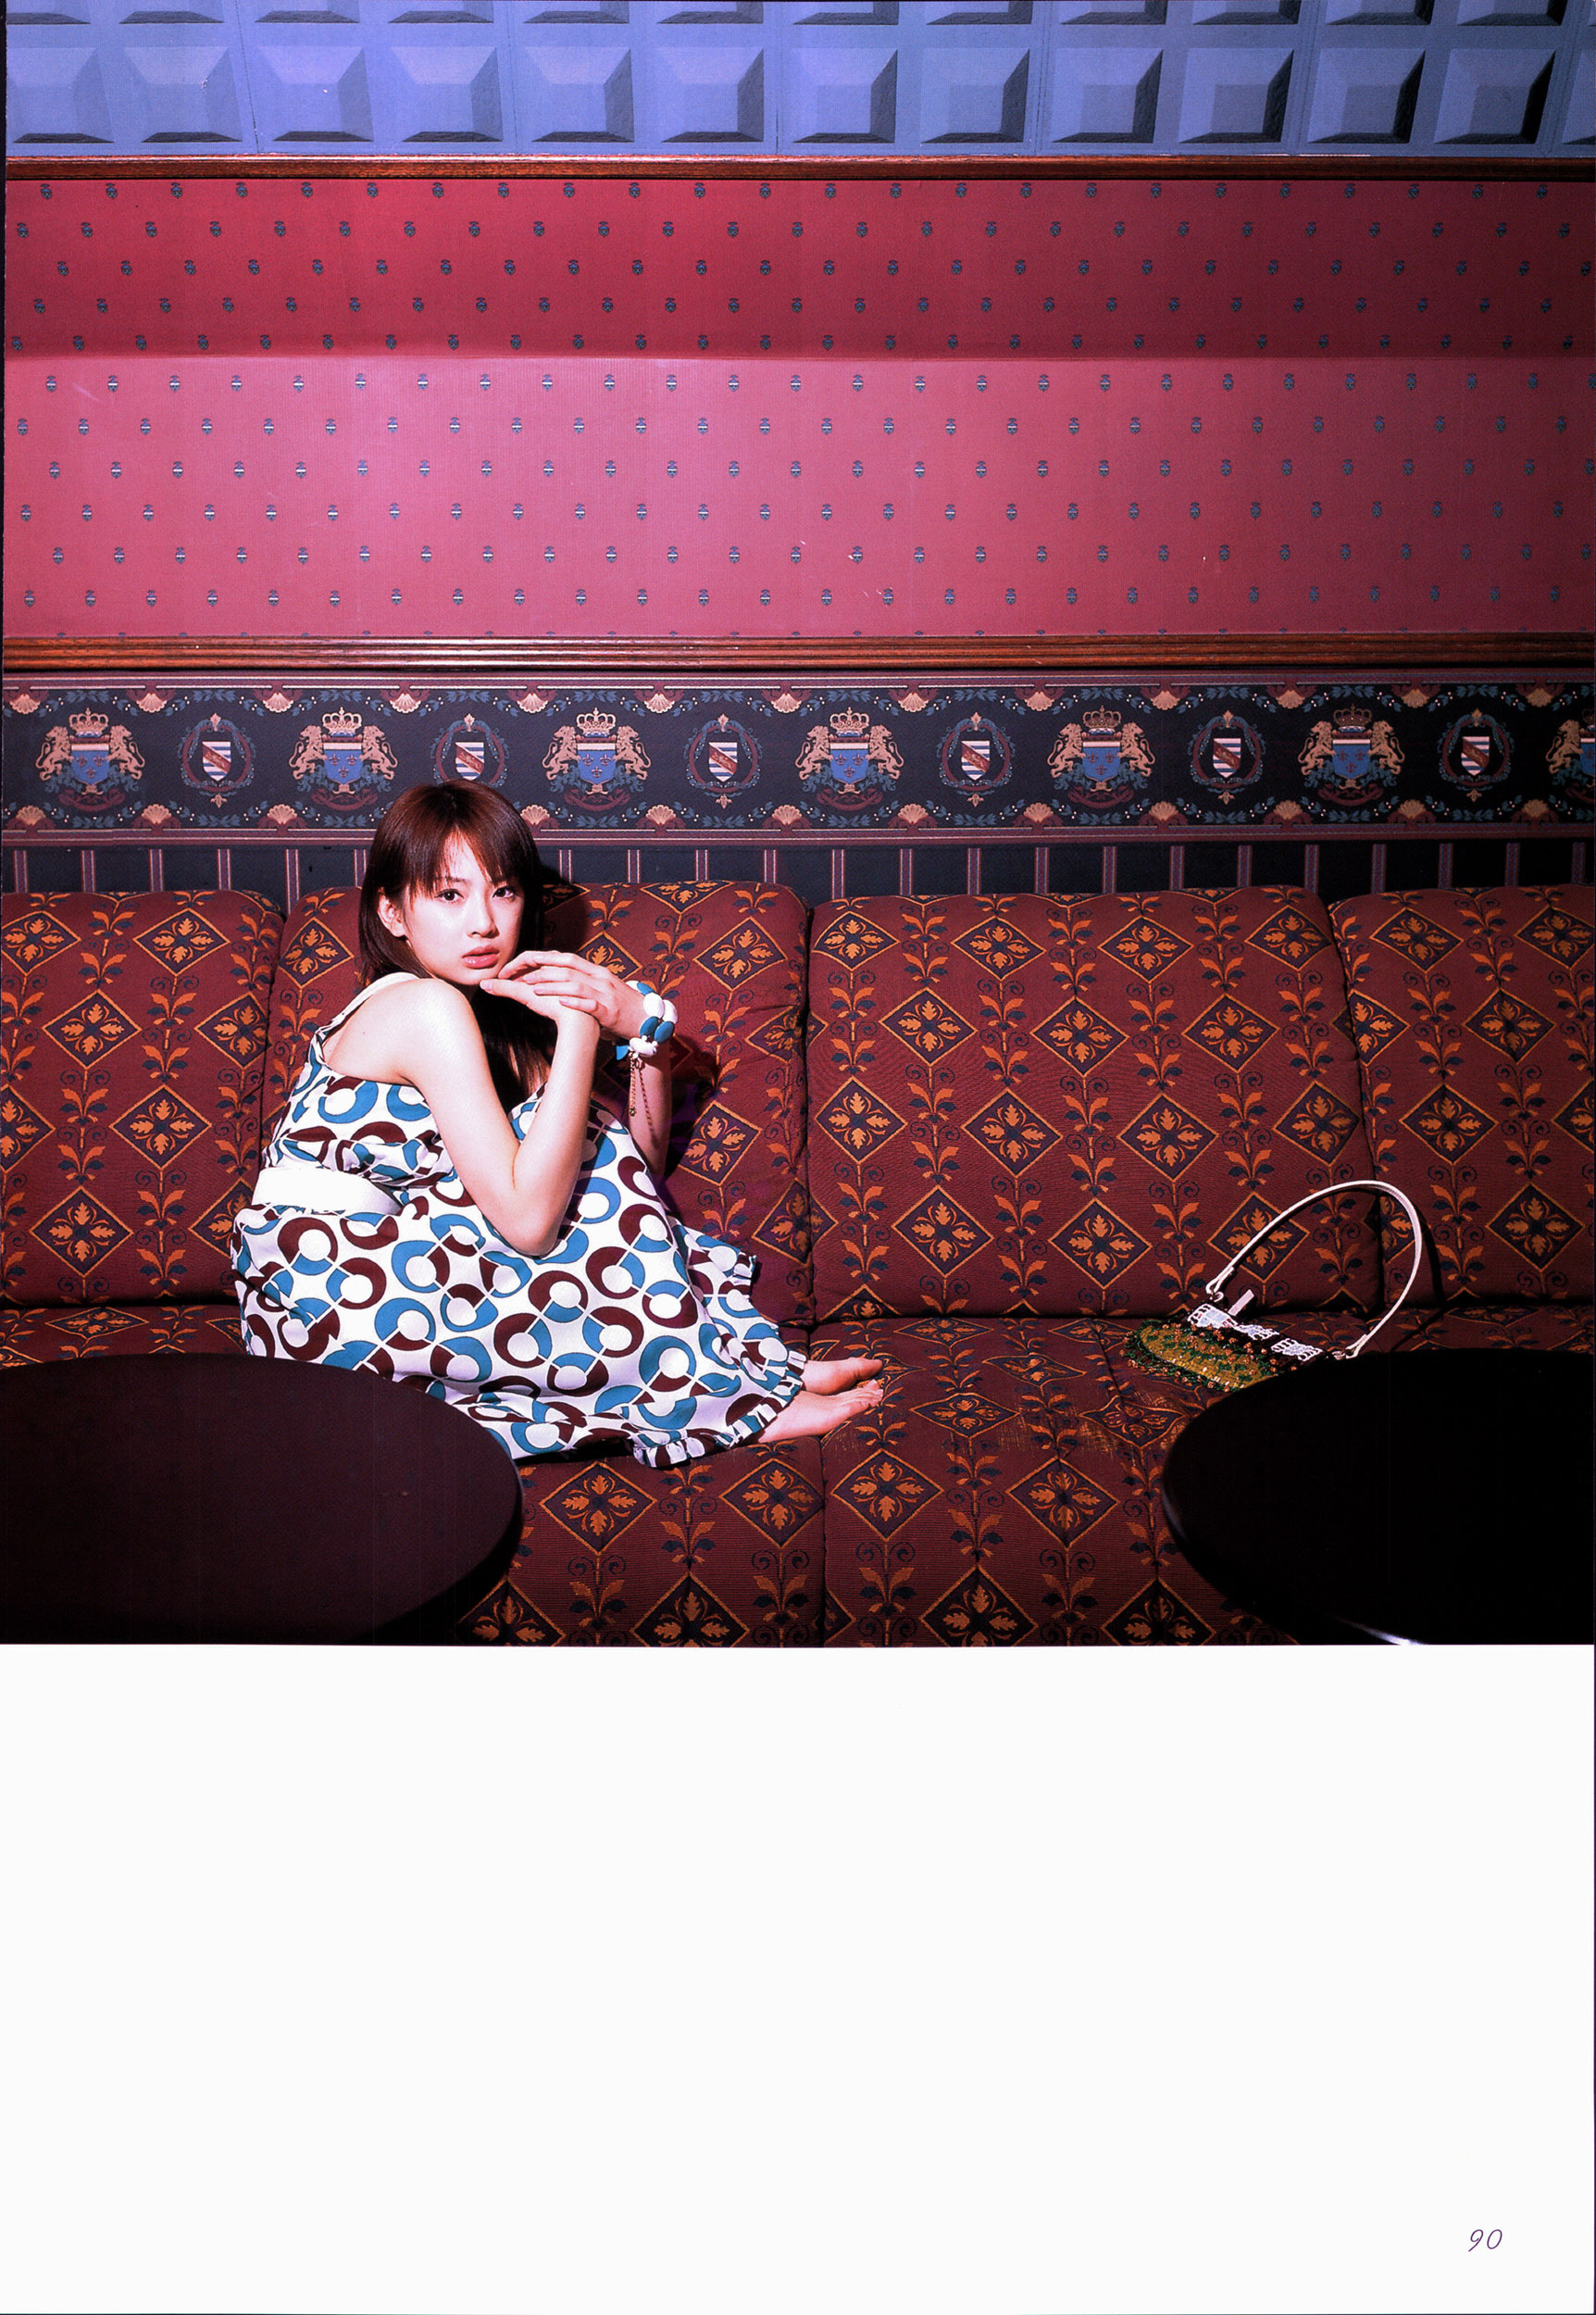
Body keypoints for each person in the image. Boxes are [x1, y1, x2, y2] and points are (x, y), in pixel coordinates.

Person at [232, 782, 882, 1464]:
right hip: (322, 1292)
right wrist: (580, 1028)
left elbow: (632, 1169)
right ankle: (729, 1400)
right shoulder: (421, 1008)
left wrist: (642, 1029)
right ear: (393, 913)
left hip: (386, 1271)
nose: (484, 923)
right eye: (449, 895)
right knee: (558, 1198)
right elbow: (530, 1224)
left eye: (504, 892)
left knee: (584, 1148)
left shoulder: (496, 1021)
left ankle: (750, 1375)